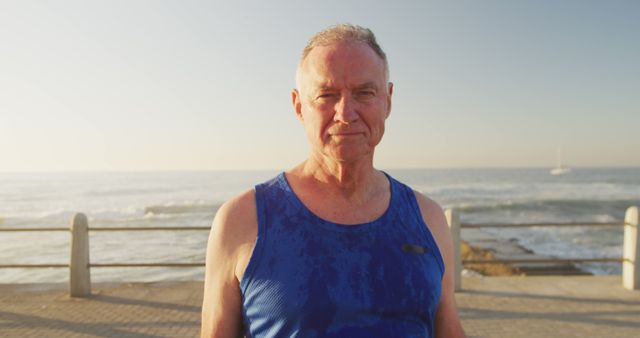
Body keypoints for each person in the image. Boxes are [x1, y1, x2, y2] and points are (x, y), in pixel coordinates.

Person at [201, 24, 466, 338]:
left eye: (364, 93)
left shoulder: (428, 218)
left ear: (388, 100)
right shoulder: (243, 219)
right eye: (326, 95)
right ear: (299, 106)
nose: (346, 113)